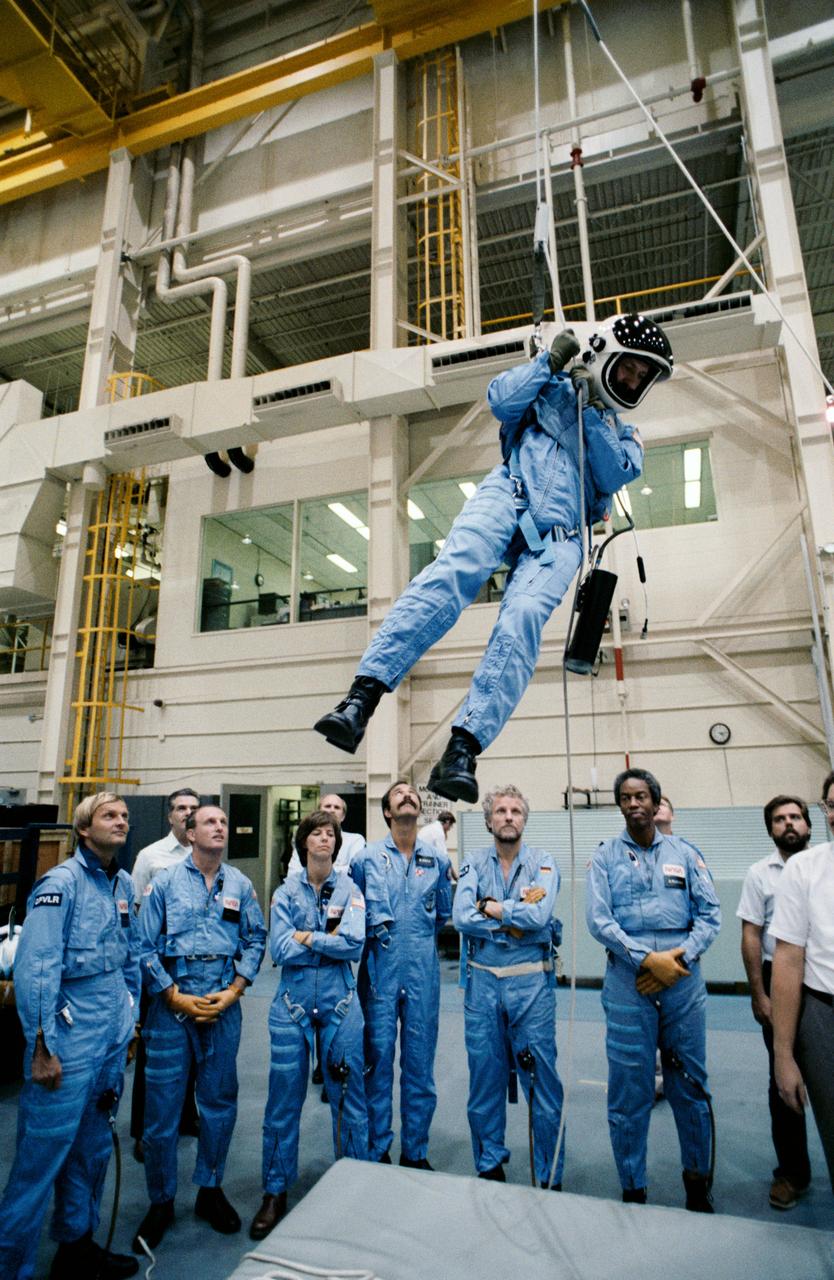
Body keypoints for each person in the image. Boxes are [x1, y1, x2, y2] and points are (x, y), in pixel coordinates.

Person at [314, 315, 672, 803]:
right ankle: (361, 699)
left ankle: (462, 749)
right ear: (605, 354)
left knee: (523, 617)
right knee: (454, 573)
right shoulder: (550, 383)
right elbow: (501, 401)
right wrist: (549, 363)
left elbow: (612, 474)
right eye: (629, 368)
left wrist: (587, 407)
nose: (632, 381)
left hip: (563, 538)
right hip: (510, 494)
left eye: (641, 377)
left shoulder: (626, 436)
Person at [0, 793, 140, 1280]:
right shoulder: (60, 885)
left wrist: (130, 1022)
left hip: (108, 1037)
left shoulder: (120, 884)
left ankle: (76, 1249)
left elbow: (132, 959)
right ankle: (10, 1265)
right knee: (40, 1161)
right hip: (67, 1036)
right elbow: (36, 970)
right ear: (84, 829)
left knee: (92, 1150)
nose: (121, 820)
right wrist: (42, 1047)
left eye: (124, 815)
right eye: (109, 815)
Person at [133, 805, 266, 1252]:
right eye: (210, 822)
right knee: (162, 1114)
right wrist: (171, 994)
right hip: (173, 1005)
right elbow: (143, 944)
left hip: (222, 1005)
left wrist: (236, 990)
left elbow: (255, 938)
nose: (220, 827)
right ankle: (161, 1201)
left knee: (218, 1103)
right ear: (190, 834)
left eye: (225, 822)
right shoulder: (166, 883)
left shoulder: (241, 885)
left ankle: (210, 1189)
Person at [586, 768, 720, 1211]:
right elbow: (599, 921)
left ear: (656, 801)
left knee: (689, 1084)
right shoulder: (604, 857)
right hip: (629, 982)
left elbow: (710, 915)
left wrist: (676, 961)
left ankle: (697, 1183)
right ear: (619, 805)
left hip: (682, 980)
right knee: (629, 1087)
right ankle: (633, 1185)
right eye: (625, 797)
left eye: (642, 796)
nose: (634, 804)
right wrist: (647, 960)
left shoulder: (686, 852)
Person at [250, 809, 369, 1239]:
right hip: (291, 1006)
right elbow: (279, 949)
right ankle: (274, 1191)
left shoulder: (351, 889)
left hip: (340, 1004)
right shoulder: (284, 894)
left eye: (330, 834)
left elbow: (354, 943)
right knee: (283, 1101)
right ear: (304, 844)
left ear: (337, 844)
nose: (324, 839)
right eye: (316, 833)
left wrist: (308, 937)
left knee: (350, 1097)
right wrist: (324, 944)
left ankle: (357, 1184)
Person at [453, 786, 565, 1186]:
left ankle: (548, 1172)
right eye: (500, 810)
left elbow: (539, 916)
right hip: (483, 983)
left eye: (516, 810)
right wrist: (512, 921)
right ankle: (489, 1163)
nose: (508, 816)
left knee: (543, 1080)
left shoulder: (543, 863)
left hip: (530, 983)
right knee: (485, 1076)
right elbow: (462, 917)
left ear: (524, 819)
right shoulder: (472, 863)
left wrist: (495, 907)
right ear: (488, 820)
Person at [350, 781, 453, 1167]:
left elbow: (443, 913)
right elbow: (354, 912)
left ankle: (415, 1150)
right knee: (376, 1062)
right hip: (379, 971)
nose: (408, 795)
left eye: (413, 793)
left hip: (423, 972)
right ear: (388, 812)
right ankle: (377, 1148)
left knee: (419, 1065)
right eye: (399, 794)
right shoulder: (367, 859)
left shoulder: (437, 860)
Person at [737, 795, 812, 1210]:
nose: (789, 824)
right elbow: (751, 934)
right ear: (770, 829)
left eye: (796, 817)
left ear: (809, 824)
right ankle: (792, 1174)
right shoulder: (759, 874)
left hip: (823, 978)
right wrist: (758, 992)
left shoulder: (823, 866)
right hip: (777, 977)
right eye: (780, 819)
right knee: (783, 1079)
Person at [771, 769, 834, 1193]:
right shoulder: (805, 870)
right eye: (832, 805)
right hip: (822, 1014)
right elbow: (788, 961)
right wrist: (783, 1054)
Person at [130, 788, 201, 1161]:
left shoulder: (208, 852)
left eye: (194, 807)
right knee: (154, 1053)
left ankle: (187, 1116)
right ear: (170, 815)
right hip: (159, 967)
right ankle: (144, 1129)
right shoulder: (150, 857)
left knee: (194, 1045)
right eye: (181, 808)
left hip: (197, 968)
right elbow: (139, 910)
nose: (188, 813)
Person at [286, 793, 365, 876]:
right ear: (318, 812)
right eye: (328, 806)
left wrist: (312, 872)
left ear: (343, 816)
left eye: (337, 807)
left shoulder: (355, 840)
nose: (332, 810)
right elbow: (293, 874)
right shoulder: (307, 839)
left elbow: (354, 872)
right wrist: (339, 869)